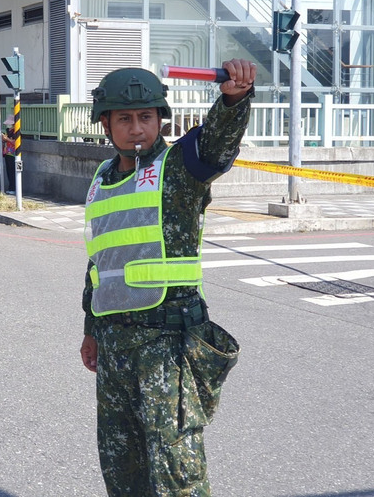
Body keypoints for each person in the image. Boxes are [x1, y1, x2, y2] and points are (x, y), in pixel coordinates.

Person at [79, 60, 256, 496]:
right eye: (125, 118)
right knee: (123, 470)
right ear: (106, 124)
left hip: (167, 347)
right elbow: (99, 264)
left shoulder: (178, 169)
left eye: (145, 117)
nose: (136, 128)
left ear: (161, 120)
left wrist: (233, 99)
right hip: (115, 349)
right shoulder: (102, 180)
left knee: (178, 473)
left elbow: (216, 144)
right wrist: (91, 330)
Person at [1, 115, 16, 195]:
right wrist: (3, 139)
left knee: (12, 171)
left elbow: (15, 142)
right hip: (7, 152)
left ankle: (13, 188)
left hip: (13, 154)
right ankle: (10, 187)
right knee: (8, 171)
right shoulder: (7, 131)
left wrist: (6, 139)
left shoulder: (16, 132)